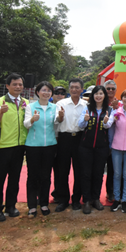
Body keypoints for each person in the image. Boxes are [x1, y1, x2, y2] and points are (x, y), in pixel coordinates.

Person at [0, 73, 29, 222]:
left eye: (20, 84)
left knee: (15, 178)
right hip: (3, 146)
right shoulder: (0, 102)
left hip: (20, 146)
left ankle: (11, 206)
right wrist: (1, 112)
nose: (18, 87)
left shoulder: (25, 102)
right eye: (14, 84)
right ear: (7, 86)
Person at [24, 81, 63, 217]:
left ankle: (44, 203)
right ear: (37, 92)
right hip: (33, 146)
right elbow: (26, 124)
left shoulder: (54, 107)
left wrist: (61, 117)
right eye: (43, 90)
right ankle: (32, 206)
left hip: (50, 146)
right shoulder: (30, 107)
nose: (46, 93)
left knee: (46, 176)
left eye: (49, 91)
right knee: (33, 176)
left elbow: (57, 122)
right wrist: (33, 120)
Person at [77, 86, 114, 214]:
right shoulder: (87, 109)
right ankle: (86, 200)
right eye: (96, 94)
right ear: (93, 96)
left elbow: (109, 126)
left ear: (104, 96)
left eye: (101, 93)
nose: (98, 96)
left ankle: (96, 198)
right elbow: (80, 125)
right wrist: (85, 120)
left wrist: (106, 122)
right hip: (86, 147)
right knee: (86, 174)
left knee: (98, 174)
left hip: (102, 147)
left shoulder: (109, 110)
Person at [53, 79, 87, 212]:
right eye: (72, 87)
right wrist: (61, 117)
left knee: (79, 170)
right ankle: (63, 200)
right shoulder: (61, 103)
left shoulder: (85, 104)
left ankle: (76, 199)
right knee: (63, 171)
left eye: (77, 87)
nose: (74, 89)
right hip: (64, 139)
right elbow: (57, 121)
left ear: (81, 89)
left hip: (79, 139)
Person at [49, 86, 66, 204]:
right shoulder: (47, 107)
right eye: (57, 93)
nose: (59, 95)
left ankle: (59, 192)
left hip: (61, 140)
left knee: (59, 169)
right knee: (44, 170)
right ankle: (42, 193)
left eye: (62, 93)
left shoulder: (66, 106)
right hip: (47, 141)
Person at [104, 79, 119, 203]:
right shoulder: (99, 103)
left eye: (112, 89)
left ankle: (111, 192)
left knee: (113, 170)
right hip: (100, 142)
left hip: (114, 142)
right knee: (97, 169)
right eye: (107, 88)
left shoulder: (120, 104)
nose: (110, 91)